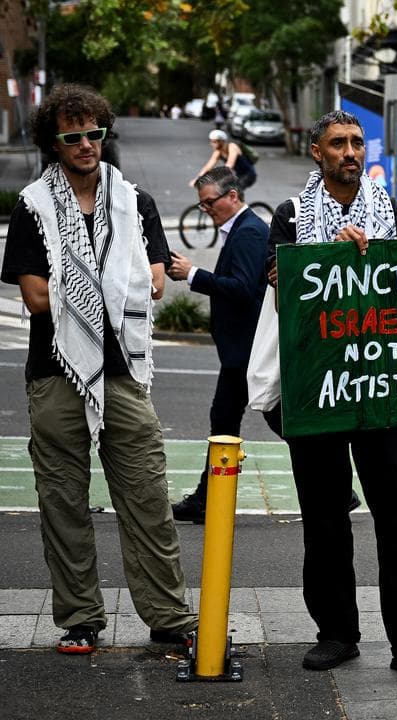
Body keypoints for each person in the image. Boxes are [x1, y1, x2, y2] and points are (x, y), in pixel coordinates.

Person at [0, 83, 198, 654]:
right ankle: (80, 620)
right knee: (63, 500)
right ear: (52, 143)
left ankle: (167, 617)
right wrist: (115, 281)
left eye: (95, 133)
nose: (87, 144)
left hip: (123, 370)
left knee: (148, 496)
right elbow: (35, 298)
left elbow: (155, 281)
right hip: (55, 372)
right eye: (73, 135)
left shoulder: (135, 201)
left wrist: (94, 279)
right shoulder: (33, 206)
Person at [264, 110, 397, 681]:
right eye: (338, 143)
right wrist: (329, 257)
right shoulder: (291, 215)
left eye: (356, 142)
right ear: (316, 153)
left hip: (385, 390)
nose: (350, 151)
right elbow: (277, 285)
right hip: (318, 387)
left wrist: (381, 255)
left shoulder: (392, 213)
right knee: (324, 519)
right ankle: (336, 633)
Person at [167, 166, 269, 523]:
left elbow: (241, 288)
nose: (206, 209)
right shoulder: (240, 230)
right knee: (228, 420)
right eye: (202, 205)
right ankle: (205, 499)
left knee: (231, 420)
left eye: (209, 202)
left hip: (247, 349)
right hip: (243, 349)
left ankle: (205, 500)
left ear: (232, 196)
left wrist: (193, 274)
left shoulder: (250, 233)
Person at [191, 129, 256, 190]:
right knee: (221, 190)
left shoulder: (232, 147)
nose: (211, 144)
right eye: (211, 141)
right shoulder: (218, 151)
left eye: (214, 142)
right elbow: (208, 166)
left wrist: (217, 176)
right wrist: (198, 179)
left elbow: (230, 164)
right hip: (239, 175)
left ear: (221, 141)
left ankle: (239, 201)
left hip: (249, 174)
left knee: (235, 191)